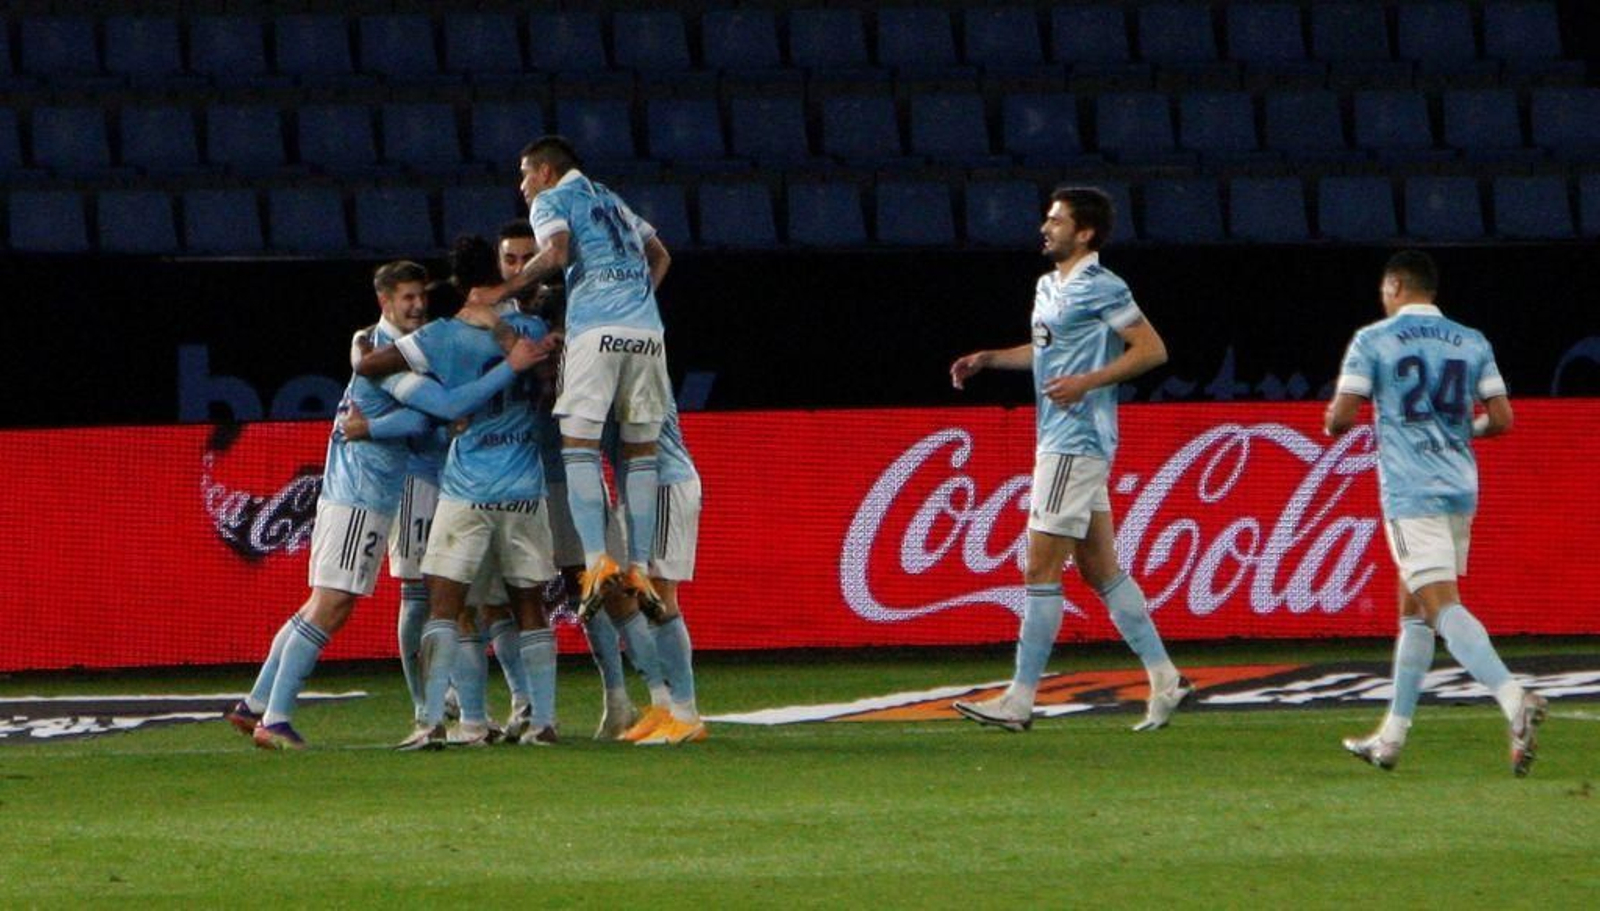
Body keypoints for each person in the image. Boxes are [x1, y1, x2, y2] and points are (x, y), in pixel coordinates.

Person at [226, 261, 547, 749]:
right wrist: (511, 367)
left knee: (324, 603)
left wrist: (388, 424)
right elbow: (436, 413)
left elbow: (426, 416)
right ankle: (280, 718)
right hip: (362, 495)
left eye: (421, 296)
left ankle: (257, 706)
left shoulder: (380, 346)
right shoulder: (384, 353)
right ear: (385, 302)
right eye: (407, 299)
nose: (417, 306)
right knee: (336, 605)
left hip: (372, 491)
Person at [946, 186, 1192, 734]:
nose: (1045, 227)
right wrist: (991, 358)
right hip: (1060, 439)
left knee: (1038, 568)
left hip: (1074, 442)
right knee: (1099, 568)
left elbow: (1151, 349)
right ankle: (1165, 676)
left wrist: (1089, 381)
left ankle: (1019, 699)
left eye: (1056, 221)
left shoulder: (1103, 285)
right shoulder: (1048, 286)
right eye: (1047, 218)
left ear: (1084, 232)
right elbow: (1046, 353)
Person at [1327, 250, 1546, 776]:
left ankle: (1514, 698)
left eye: (1385, 288)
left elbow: (1342, 416)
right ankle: (1392, 737)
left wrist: (1334, 420)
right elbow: (1501, 419)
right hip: (1459, 487)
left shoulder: (1373, 340)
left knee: (1440, 604)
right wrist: (1456, 431)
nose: (1383, 297)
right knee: (1415, 609)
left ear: (1397, 284)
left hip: (1411, 489)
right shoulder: (1471, 340)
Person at [356, 237, 564, 750]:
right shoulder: (532, 330)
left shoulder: (439, 337)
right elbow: (547, 390)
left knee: (445, 607)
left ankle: (432, 722)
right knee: (529, 606)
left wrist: (366, 348)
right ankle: (543, 722)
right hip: (523, 487)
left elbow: (369, 367)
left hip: (466, 489)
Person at [469, 135, 674, 622]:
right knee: (640, 450)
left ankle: (598, 563)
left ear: (543, 171)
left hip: (596, 329)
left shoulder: (552, 199)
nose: (521, 185)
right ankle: (640, 567)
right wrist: (638, 300)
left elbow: (557, 253)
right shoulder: (612, 200)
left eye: (524, 173)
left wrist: (503, 288)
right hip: (647, 332)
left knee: (577, 444)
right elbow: (661, 255)